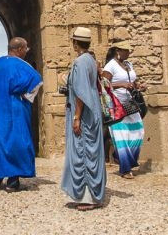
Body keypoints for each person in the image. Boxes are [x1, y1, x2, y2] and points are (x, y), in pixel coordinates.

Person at [0, 37, 43, 192]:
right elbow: (37, 80)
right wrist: (26, 96)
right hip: (16, 108)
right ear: (19, 50)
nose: (27, 51)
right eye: (26, 48)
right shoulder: (23, 66)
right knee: (17, 140)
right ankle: (13, 180)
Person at [61, 27, 106, 211]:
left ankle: (88, 197)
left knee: (83, 151)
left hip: (84, 113)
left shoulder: (79, 62)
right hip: (94, 110)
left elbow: (80, 93)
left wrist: (77, 117)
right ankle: (94, 193)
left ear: (74, 43)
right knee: (92, 151)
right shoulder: (91, 61)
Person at [101, 40, 147, 179]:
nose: (128, 53)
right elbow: (104, 85)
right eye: (125, 50)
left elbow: (132, 81)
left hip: (131, 104)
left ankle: (120, 156)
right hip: (117, 105)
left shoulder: (128, 65)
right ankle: (125, 168)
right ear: (118, 51)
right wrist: (121, 84)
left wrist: (138, 86)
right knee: (121, 135)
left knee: (138, 131)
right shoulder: (110, 66)